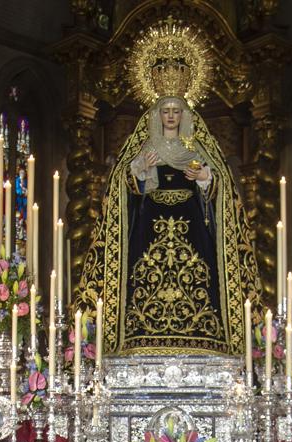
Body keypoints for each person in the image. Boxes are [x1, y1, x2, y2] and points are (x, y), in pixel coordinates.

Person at [77, 39, 258, 357]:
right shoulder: (143, 149)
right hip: (149, 230)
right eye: (166, 111)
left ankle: (204, 333)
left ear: (184, 115)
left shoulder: (198, 149)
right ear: (156, 115)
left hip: (192, 232)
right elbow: (122, 194)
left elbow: (221, 195)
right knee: (144, 278)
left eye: (176, 111)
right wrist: (139, 174)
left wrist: (205, 179)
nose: (171, 116)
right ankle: (140, 332)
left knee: (200, 276)